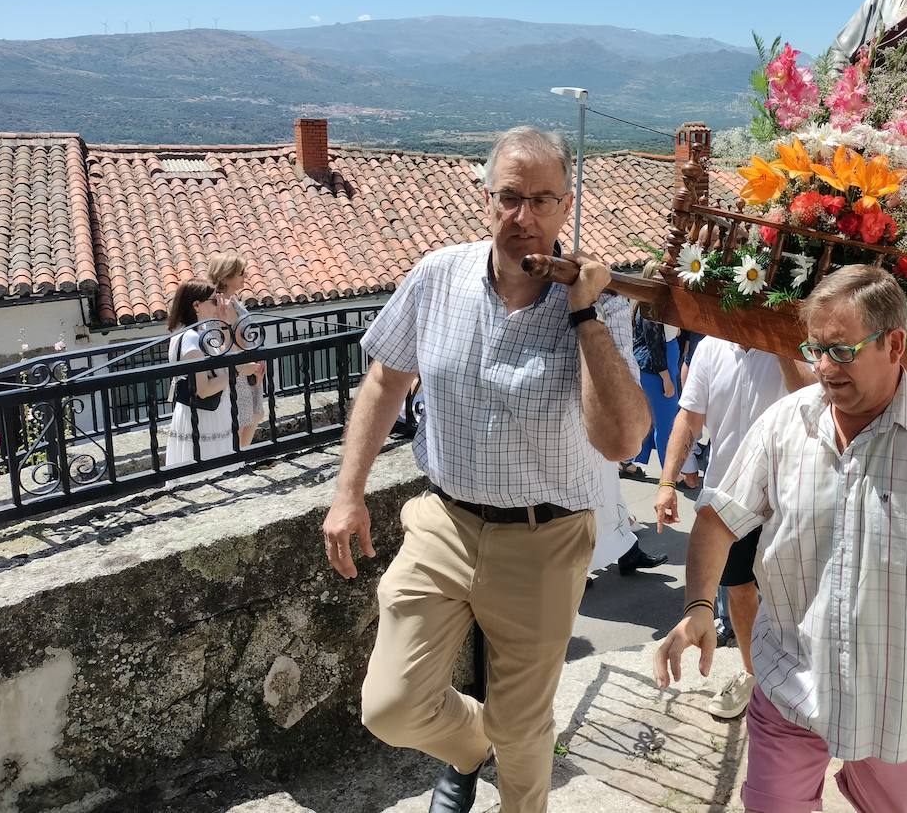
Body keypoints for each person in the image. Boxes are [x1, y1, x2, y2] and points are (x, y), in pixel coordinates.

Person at [322, 127, 649, 813]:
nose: (522, 217)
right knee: (389, 705)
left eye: (540, 200)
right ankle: (470, 745)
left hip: (545, 537)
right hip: (443, 519)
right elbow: (386, 382)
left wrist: (584, 315)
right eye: (508, 197)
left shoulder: (603, 301)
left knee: (523, 731)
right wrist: (347, 493)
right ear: (487, 198)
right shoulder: (437, 275)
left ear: (565, 206)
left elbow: (621, 438)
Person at [654, 265, 907, 813]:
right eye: (814, 347)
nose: (823, 368)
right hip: (791, 687)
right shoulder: (786, 423)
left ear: (896, 344)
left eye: (841, 351)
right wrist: (700, 606)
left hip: (899, 701)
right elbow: (717, 519)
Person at [653, 336, 795, 719]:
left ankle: (792, 683)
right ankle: (753, 677)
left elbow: (813, 395)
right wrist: (667, 482)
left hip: (789, 497)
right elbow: (690, 416)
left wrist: (780, 340)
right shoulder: (711, 347)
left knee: (792, 599)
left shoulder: (792, 342)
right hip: (727, 496)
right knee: (740, 592)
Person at [164, 281, 238, 467]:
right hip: (204, 418)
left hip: (206, 414)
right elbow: (202, 389)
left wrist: (225, 324)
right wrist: (234, 374)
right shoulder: (190, 339)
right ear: (196, 305)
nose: (219, 304)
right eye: (214, 301)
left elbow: (226, 356)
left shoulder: (198, 332)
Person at [624, 265, 682, 479]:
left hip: (651, 369)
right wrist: (665, 377)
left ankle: (626, 461)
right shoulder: (650, 308)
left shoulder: (646, 304)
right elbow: (653, 343)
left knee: (648, 421)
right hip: (656, 371)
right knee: (667, 424)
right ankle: (671, 475)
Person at [206, 253, 267, 449]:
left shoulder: (234, 303)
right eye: (240, 273)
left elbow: (248, 334)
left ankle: (242, 460)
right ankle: (237, 465)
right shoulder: (213, 307)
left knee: (255, 415)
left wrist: (259, 360)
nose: (245, 276)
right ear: (224, 277)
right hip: (234, 370)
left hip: (249, 369)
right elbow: (215, 344)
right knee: (239, 422)